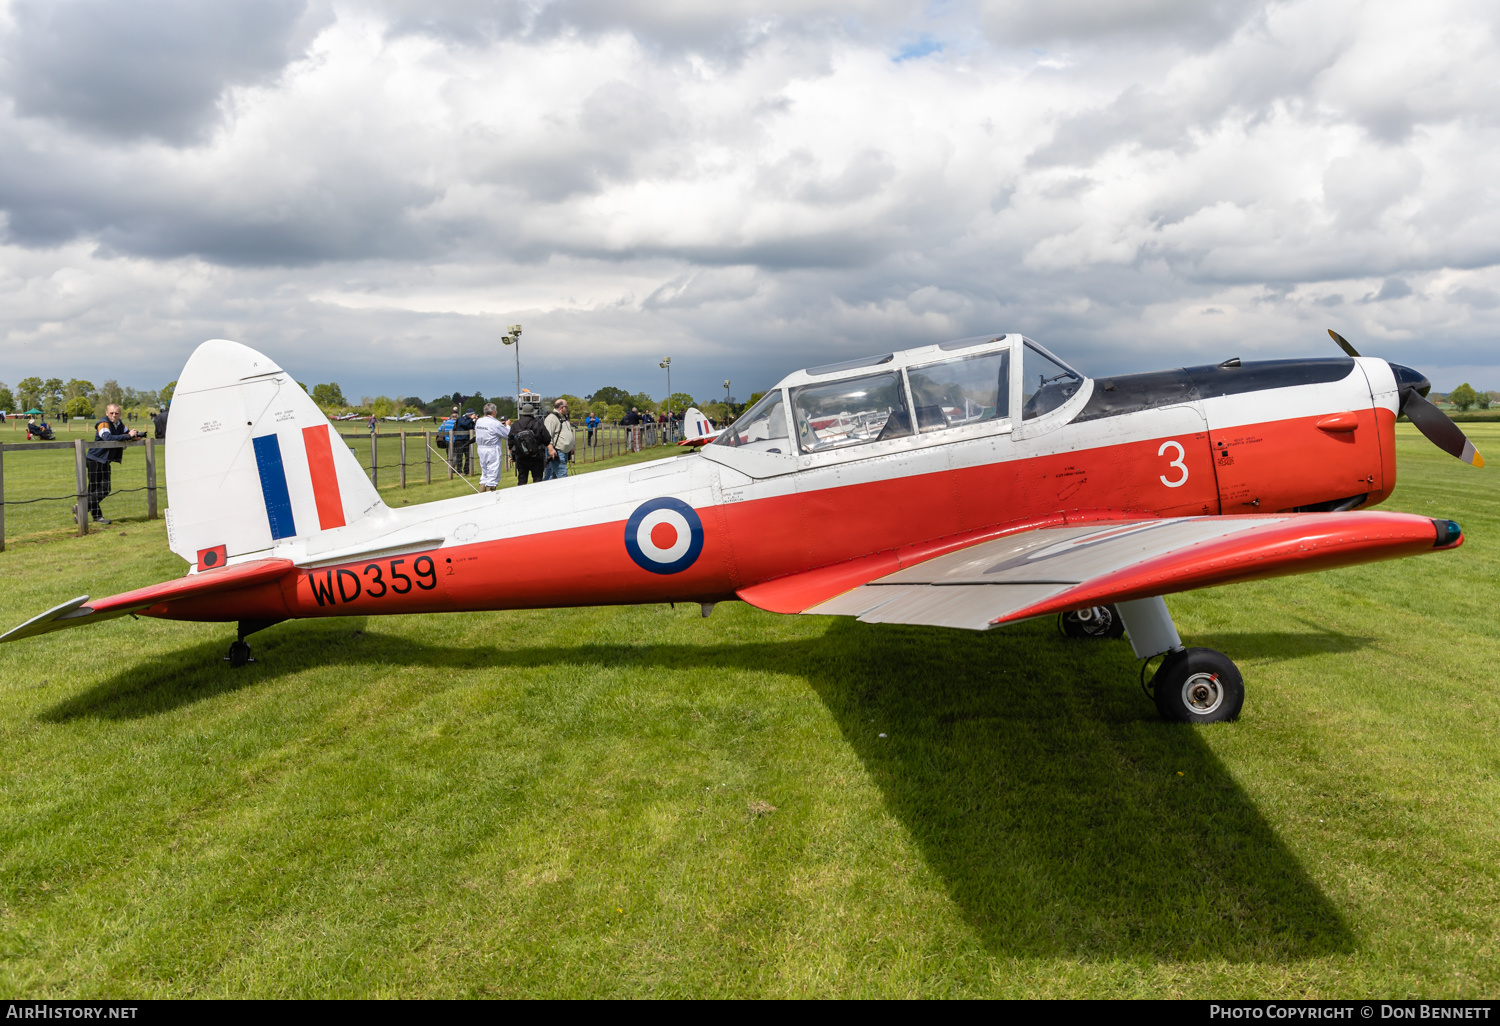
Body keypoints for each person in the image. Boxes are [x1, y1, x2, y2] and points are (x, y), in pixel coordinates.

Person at [83, 404, 138, 525]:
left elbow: (126, 433)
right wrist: (128, 436)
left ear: (120, 414)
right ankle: (90, 513)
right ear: (106, 413)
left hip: (104, 460)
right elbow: (106, 437)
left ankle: (87, 512)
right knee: (100, 488)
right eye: (112, 413)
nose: (114, 415)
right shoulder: (103, 423)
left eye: (116, 413)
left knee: (100, 489)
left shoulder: (119, 424)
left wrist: (134, 435)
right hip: (95, 459)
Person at [507, 401, 550, 486]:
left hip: (521, 456)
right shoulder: (538, 423)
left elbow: (511, 442)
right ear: (532, 413)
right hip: (537, 456)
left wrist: (512, 455)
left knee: (522, 480)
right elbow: (547, 438)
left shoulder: (516, 424)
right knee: (537, 479)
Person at [475, 403, 507, 491]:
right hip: (492, 449)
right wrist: (507, 425)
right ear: (493, 412)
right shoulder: (495, 423)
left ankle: (481, 496)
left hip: (481, 448)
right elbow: (507, 435)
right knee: (492, 476)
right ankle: (490, 498)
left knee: (484, 475)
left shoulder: (479, 421)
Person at [542, 398, 575, 480]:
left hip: (564, 452)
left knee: (554, 476)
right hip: (557, 451)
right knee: (562, 476)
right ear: (561, 407)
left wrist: (571, 446)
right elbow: (547, 436)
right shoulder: (552, 418)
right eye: (566, 407)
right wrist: (550, 449)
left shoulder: (563, 418)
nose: (567, 409)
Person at [451, 407, 475, 474]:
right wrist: (471, 419)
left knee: (468, 456)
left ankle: (466, 470)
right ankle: (459, 471)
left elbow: (474, 426)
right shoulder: (461, 419)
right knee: (459, 456)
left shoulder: (470, 420)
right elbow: (465, 424)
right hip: (459, 440)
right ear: (469, 414)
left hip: (467, 440)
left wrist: (476, 420)